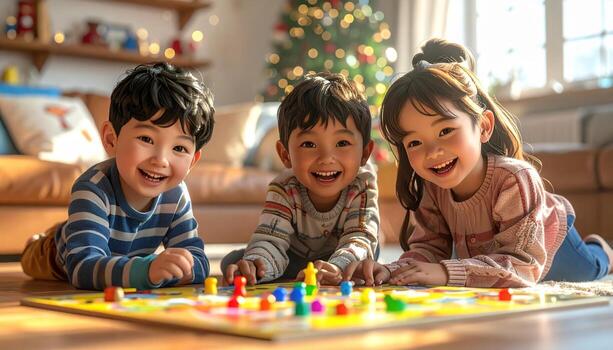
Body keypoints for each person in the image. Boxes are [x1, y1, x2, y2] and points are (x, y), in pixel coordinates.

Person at [343, 38, 613, 288]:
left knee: (591, 268)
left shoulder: (514, 179)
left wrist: (446, 272)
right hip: (495, 258)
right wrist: (392, 270)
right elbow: (428, 249)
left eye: (445, 131)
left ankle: (604, 250)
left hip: (553, 244)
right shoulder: (432, 187)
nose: (433, 152)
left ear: (483, 127)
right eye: (414, 142)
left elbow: (523, 265)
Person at [20, 62, 215, 290]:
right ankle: (47, 237)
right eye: (146, 139)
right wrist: (146, 271)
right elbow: (83, 268)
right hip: (53, 254)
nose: (161, 160)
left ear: (192, 160)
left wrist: (181, 266)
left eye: (179, 149)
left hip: (118, 258)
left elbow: (199, 261)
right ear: (112, 139)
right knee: (32, 256)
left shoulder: (176, 194)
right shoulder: (93, 188)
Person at [222, 72, 380, 286]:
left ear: (365, 152)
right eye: (309, 144)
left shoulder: (362, 184)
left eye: (342, 143)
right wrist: (257, 264)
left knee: (367, 253)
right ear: (285, 154)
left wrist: (338, 267)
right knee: (238, 261)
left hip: (343, 254)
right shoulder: (284, 188)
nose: (326, 158)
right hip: (293, 258)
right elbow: (271, 238)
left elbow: (359, 236)